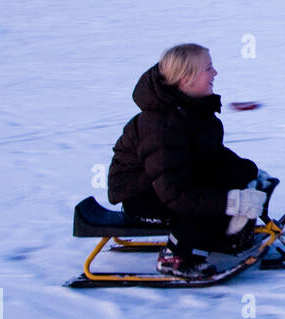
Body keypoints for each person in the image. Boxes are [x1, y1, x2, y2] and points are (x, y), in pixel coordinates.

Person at [107, 43, 270, 278]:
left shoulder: (193, 111)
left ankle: (223, 237)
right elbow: (175, 193)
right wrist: (231, 202)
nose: (215, 73)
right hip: (143, 195)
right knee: (205, 205)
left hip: (173, 182)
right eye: (208, 68)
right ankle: (176, 257)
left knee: (224, 184)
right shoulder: (160, 126)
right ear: (186, 80)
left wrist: (249, 174)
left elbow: (212, 156)